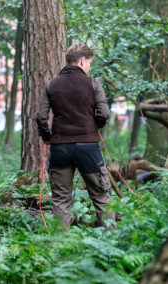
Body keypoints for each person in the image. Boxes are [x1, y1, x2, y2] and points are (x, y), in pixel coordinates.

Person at [36, 42, 115, 229]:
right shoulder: (93, 84)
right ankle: (112, 242)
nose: (89, 68)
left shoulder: (51, 85)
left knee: (61, 198)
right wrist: (94, 126)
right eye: (89, 63)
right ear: (81, 60)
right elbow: (104, 114)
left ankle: (61, 246)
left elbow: (41, 116)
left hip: (60, 147)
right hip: (87, 147)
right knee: (101, 195)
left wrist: (47, 136)